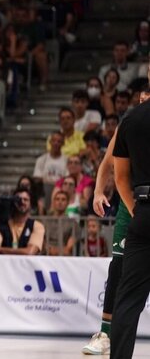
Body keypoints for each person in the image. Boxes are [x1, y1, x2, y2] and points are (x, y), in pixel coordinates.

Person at [82, 86, 150, 355]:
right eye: (142, 97)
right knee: (118, 270)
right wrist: (99, 191)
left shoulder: (132, 121)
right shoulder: (129, 122)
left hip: (141, 205)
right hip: (131, 203)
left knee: (130, 294)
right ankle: (105, 333)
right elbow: (107, 163)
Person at [104, 88, 150, 358]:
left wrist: (137, 211)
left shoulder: (130, 120)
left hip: (143, 212)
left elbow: (120, 177)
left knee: (128, 300)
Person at [0, 189, 45, 255]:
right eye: (18, 200)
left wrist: (1, 249)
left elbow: (30, 252)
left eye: (25, 199)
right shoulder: (2, 225)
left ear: (30, 204)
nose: (22, 202)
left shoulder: (36, 226)